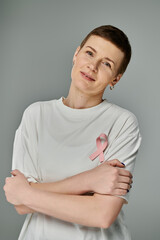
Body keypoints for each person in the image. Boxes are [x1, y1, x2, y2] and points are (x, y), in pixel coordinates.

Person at [4, 25, 142, 240]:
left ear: (116, 78)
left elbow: (102, 215)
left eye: (106, 64)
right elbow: (20, 205)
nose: (92, 66)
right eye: (89, 53)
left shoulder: (123, 123)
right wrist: (89, 181)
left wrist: (29, 192)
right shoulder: (36, 115)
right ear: (76, 54)